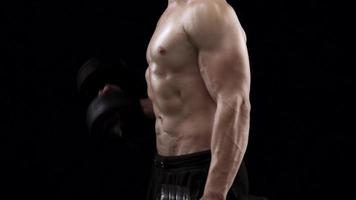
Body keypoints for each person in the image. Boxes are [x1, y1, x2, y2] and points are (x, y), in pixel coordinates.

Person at [144, 0, 251, 199]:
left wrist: (215, 192)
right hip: (164, 170)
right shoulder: (170, 11)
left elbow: (235, 101)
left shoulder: (208, 9)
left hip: (204, 170)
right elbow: (174, 97)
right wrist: (132, 108)